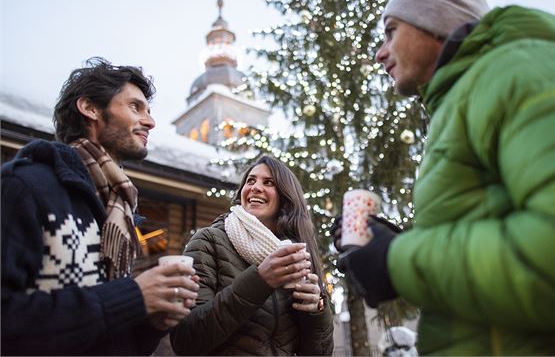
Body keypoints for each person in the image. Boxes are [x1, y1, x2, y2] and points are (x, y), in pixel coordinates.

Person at [334, 0, 555, 355]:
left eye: (391, 31)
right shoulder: (467, 98)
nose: (379, 52)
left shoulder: (521, 69)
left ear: (437, 25)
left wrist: (398, 262)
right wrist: (393, 246)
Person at [1, 57, 200, 355]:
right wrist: (133, 296)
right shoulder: (24, 186)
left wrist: (151, 322)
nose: (150, 121)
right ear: (90, 108)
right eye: (135, 107)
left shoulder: (119, 210)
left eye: (149, 110)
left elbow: (114, 339)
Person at [170, 155, 334, 356]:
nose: (255, 187)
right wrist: (260, 280)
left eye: (268, 182)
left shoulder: (297, 254)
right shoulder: (209, 241)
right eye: (250, 180)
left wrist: (317, 310)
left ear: (286, 197)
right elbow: (185, 340)